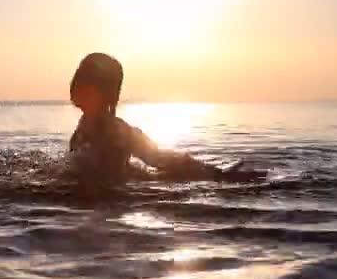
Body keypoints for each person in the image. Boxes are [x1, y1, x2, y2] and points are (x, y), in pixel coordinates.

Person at [68, 52, 265, 185]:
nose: (77, 85)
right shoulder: (83, 129)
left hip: (115, 201)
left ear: (107, 92)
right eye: (78, 78)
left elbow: (160, 158)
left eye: (87, 81)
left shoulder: (118, 131)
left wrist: (217, 176)